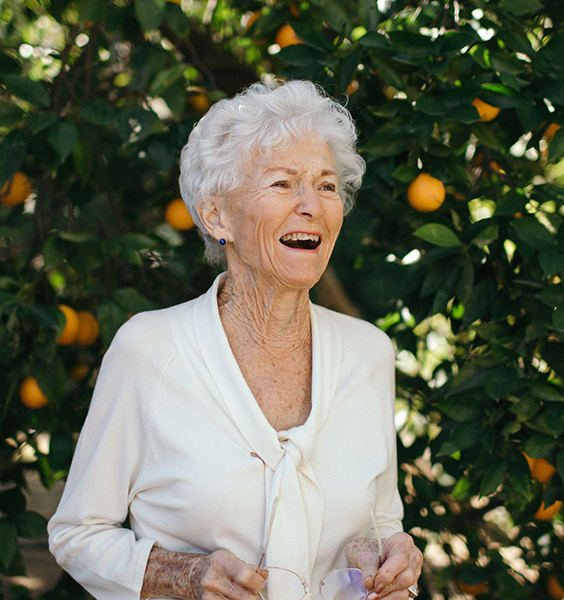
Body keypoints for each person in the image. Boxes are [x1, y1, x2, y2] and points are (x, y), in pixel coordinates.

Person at [47, 79, 423, 600]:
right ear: (216, 215)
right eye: (283, 183)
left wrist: (387, 558)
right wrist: (182, 575)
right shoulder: (150, 351)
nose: (312, 205)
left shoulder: (369, 353)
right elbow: (78, 534)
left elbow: (378, 522)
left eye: (326, 186)